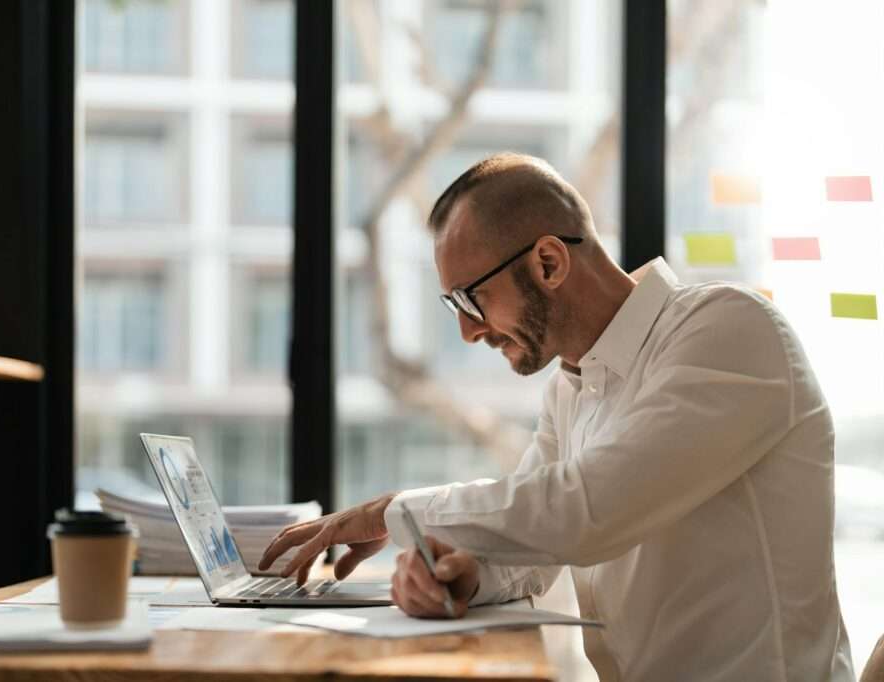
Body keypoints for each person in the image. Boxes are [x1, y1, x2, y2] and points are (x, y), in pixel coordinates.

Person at [259, 153, 854, 681]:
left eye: (471, 299)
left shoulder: (730, 330)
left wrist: (390, 513)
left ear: (547, 262)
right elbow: (534, 546)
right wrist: (470, 577)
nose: (467, 332)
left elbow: (586, 512)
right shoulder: (573, 387)